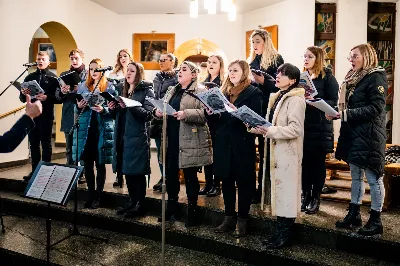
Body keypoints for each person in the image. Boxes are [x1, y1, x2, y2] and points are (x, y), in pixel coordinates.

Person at [330, 43, 387, 236]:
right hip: (354, 134)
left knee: (373, 178)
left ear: (367, 57)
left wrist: (345, 115)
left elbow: (377, 108)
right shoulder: (353, 78)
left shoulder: (376, 77)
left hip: (370, 135)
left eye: (355, 56)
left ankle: (376, 219)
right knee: (355, 176)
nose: (351, 60)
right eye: (350, 56)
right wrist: (338, 114)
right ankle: (354, 213)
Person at [249, 63, 305, 249]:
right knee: (280, 192)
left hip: (287, 153)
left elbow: (295, 129)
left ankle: (285, 234)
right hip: (276, 150)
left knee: (287, 193)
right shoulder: (279, 97)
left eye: (283, 74)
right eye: (278, 73)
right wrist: (259, 128)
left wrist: (270, 130)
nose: (278, 76)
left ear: (293, 80)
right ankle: (280, 231)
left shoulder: (296, 100)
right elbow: (271, 125)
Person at [153, 61, 212, 227]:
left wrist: (186, 113)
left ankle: (192, 213)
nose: (179, 72)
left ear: (193, 74)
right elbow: (164, 106)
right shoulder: (173, 89)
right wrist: (157, 112)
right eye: (179, 70)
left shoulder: (200, 90)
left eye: (184, 70)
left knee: (190, 177)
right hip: (171, 138)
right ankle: (171, 208)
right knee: (171, 176)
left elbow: (205, 115)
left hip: (189, 139)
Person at [210, 59, 262, 237]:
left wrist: (236, 112)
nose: (231, 73)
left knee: (244, 182)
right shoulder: (223, 92)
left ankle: (242, 220)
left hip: (242, 142)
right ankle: (229, 216)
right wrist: (212, 113)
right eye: (230, 71)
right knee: (226, 181)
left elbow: (256, 118)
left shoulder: (253, 92)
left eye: (236, 71)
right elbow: (217, 122)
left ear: (244, 73)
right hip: (224, 142)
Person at [109, 62, 155, 218]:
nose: (128, 73)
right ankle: (131, 201)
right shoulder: (123, 89)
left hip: (137, 136)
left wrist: (130, 105)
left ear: (139, 73)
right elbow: (117, 115)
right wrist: (112, 108)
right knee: (127, 170)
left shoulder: (146, 90)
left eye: (132, 70)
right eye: (127, 70)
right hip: (122, 135)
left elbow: (149, 114)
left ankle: (140, 204)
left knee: (137, 172)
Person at [72, 58, 116, 209]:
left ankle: (99, 196)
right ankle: (90, 195)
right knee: (87, 163)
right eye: (91, 69)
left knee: (100, 163)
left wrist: (105, 110)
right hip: (86, 130)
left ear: (102, 70)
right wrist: (78, 106)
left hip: (101, 128)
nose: (94, 72)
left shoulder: (109, 87)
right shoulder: (83, 86)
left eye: (97, 69)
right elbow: (77, 110)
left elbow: (115, 111)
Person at [301, 46, 339, 215]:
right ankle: (305, 196)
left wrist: (316, 100)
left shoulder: (328, 78)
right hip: (304, 127)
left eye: (310, 56)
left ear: (318, 59)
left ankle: (315, 197)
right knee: (305, 165)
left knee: (317, 165)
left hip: (320, 127)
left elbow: (333, 102)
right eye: (304, 56)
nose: (306, 59)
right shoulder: (302, 78)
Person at [248, 29, 284, 204]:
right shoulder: (252, 61)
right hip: (254, 109)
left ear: (265, 42)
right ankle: (253, 188)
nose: (254, 45)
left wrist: (264, 82)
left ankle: (265, 190)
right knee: (251, 152)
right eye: (252, 42)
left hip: (269, 110)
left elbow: (281, 87)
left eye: (257, 41)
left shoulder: (277, 60)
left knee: (266, 152)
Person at [19, 51, 60, 181]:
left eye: (43, 59)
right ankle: (34, 171)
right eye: (38, 59)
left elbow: (59, 98)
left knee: (46, 143)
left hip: (46, 115)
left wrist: (47, 97)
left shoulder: (54, 78)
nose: (40, 61)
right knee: (33, 144)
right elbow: (21, 99)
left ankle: (46, 173)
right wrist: (23, 93)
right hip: (32, 115)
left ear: (48, 62)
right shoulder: (29, 77)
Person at [55, 49, 88, 184]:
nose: (74, 61)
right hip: (69, 112)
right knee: (69, 146)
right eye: (72, 58)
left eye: (76, 58)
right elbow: (57, 97)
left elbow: (93, 92)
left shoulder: (89, 74)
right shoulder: (64, 75)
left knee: (82, 145)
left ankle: (83, 173)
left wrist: (77, 89)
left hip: (84, 112)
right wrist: (63, 92)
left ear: (82, 59)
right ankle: (70, 171)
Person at [199, 54, 225, 197]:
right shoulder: (203, 82)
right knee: (207, 153)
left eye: (214, 62)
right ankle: (207, 184)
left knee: (216, 154)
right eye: (209, 62)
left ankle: (216, 185)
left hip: (218, 121)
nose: (210, 64)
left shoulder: (224, 82)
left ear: (220, 65)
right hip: (206, 120)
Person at [151, 53, 178, 192]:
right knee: (160, 150)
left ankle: (170, 178)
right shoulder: (156, 78)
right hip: (158, 119)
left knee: (169, 151)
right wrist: (155, 109)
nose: (160, 62)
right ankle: (163, 176)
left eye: (164, 60)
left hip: (171, 118)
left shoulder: (177, 78)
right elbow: (155, 96)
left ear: (172, 62)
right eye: (159, 60)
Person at [109, 49, 133, 188]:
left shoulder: (134, 71)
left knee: (126, 145)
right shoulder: (113, 74)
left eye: (125, 56)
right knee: (117, 145)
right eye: (120, 56)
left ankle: (127, 173)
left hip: (129, 111)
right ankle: (119, 176)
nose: (123, 58)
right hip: (118, 112)